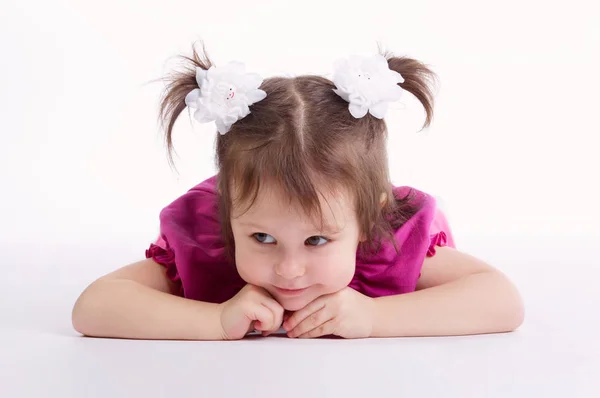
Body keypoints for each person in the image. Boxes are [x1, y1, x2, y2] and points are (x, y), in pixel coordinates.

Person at [72, 43, 524, 340]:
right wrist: (213, 319)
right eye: (262, 238)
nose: (289, 270)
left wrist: (374, 318)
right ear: (226, 212)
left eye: (318, 241)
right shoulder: (208, 246)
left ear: (368, 219)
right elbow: (93, 307)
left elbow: (501, 299)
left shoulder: (390, 245)